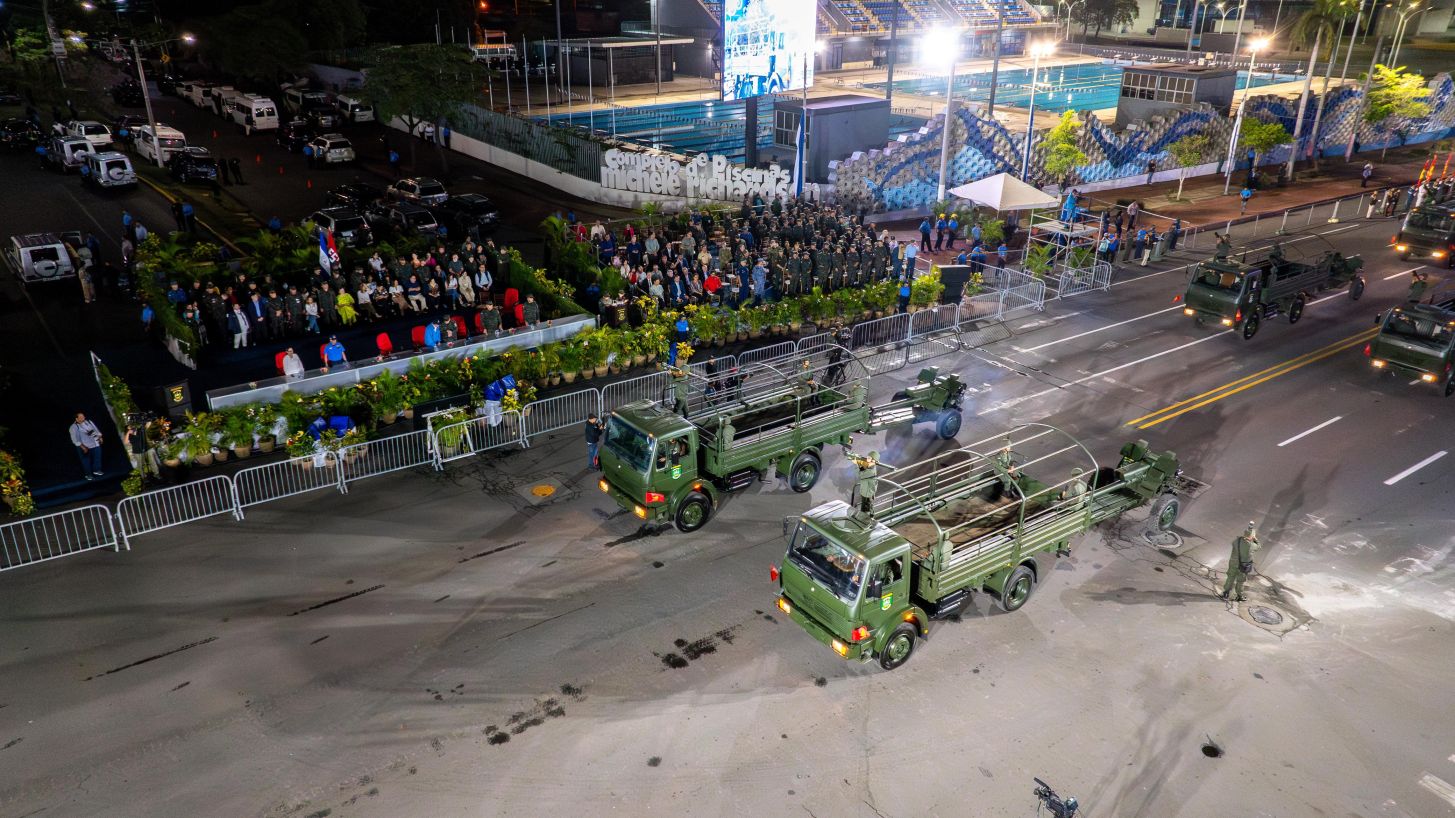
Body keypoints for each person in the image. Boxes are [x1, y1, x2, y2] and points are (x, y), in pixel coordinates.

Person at [1220, 521, 1261, 602]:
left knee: (1230, 578)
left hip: (1234, 563)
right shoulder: (1252, 546)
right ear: (1251, 537)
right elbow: (1259, 546)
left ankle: (1226, 594)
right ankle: (1239, 596)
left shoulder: (1237, 541)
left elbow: (1233, 543)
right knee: (1240, 581)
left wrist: (1243, 537)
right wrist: (1255, 539)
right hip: (1243, 566)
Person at [1057, 467, 1089, 556]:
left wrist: (1063, 493)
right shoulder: (1084, 484)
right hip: (1079, 507)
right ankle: (1066, 544)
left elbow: (1065, 497)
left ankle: (1064, 544)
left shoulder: (1072, 486)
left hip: (1071, 508)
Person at [69, 412, 105, 480]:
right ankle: (88, 475)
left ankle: (96, 470)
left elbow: (95, 429)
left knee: (97, 457)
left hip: (95, 443)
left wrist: (100, 437)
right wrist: (82, 447)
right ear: (76, 419)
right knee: (86, 461)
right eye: (81, 417)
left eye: (83, 416)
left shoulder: (88, 422)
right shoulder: (73, 427)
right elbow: (74, 439)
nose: (83, 418)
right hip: (85, 446)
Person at [851, 450, 879, 517]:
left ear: (874, 461)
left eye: (869, 458)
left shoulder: (871, 471)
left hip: (867, 493)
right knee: (865, 506)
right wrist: (858, 460)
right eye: (867, 457)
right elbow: (862, 468)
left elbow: (859, 474)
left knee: (866, 507)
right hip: (865, 491)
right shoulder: (870, 466)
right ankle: (866, 515)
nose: (867, 459)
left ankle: (868, 517)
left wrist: (856, 464)